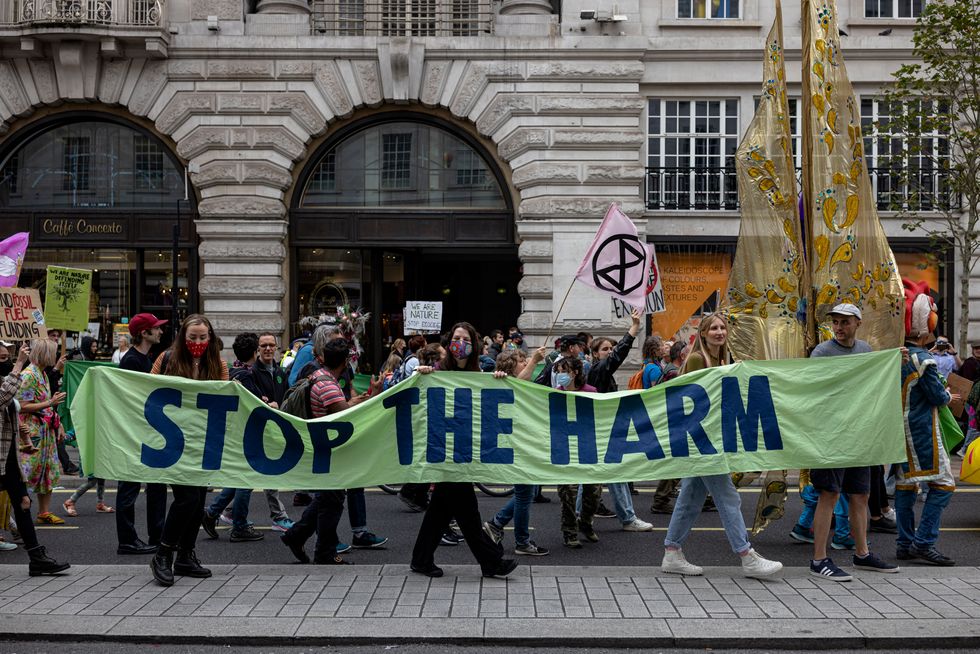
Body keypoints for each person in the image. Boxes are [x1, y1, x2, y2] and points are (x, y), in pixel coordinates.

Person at [660, 312, 782, 579]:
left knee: (690, 497)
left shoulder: (723, 359)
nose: (719, 332)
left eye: (722, 327)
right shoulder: (698, 359)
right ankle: (746, 555)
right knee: (728, 497)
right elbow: (693, 399)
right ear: (703, 333)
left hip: (712, 438)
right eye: (713, 328)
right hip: (702, 440)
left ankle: (672, 551)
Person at [410, 321, 517, 579]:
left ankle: (421, 559)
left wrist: (498, 381)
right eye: (457, 338)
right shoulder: (437, 371)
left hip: (464, 451)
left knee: (441, 510)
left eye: (466, 340)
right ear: (449, 343)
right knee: (467, 511)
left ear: (474, 345)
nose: (461, 344)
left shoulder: (479, 372)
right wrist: (419, 375)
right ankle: (490, 561)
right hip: (446, 451)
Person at [807, 304, 898, 581]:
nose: (838, 327)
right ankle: (819, 559)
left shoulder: (865, 350)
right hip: (830, 435)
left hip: (857, 434)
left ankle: (862, 554)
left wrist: (894, 360)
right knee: (829, 494)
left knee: (861, 495)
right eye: (835, 322)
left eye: (844, 322)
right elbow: (812, 389)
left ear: (858, 323)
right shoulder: (822, 352)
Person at [148, 314, 229, 586]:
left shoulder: (218, 364)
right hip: (171, 442)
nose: (197, 342)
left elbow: (224, 400)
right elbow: (145, 391)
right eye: (192, 337)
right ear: (183, 337)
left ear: (210, 337)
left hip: (202, 444)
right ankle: (163, 554)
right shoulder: (167, 360)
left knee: (197, 502)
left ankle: (185, 555)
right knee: (187, 499)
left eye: (203, 337)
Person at [280, 335, 372, 565]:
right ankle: (325, 552)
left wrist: (359, 400)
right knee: (332, 501)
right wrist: (370, 400)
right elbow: (344, 415)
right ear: (345, 362)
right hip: (328, 450)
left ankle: (296, 536)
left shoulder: (319, 376)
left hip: (323, 447)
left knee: (327, 497)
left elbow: (341, 407)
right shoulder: (329, 385)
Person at [896, 281, 958, 566]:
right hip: (921, 431)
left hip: (897, 432)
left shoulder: (895, 356)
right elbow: (937, 397)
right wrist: (947, 394)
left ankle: (904, 544)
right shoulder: (924, 360)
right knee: (944, 484)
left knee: (906, 486)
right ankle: (923, 543)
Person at [0, 342, 70, 575]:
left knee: (23, 502)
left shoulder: (13, 377)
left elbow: (12, 409)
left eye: (8, 356)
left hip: (10, 452)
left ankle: (36, 557)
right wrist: (19, 363)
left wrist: (25, 437)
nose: (8, 360)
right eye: (3, 357)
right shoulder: (21, 375)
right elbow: (5, 398)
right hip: (3, 452)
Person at [586, 309, 653, 534]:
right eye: (605, 349)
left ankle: (579, 515)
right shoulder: (600, 368)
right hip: (603, 430)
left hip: (602, 428)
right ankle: (627, 518)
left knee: (587, 475)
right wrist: (633, 328)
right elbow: (618, 356)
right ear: (595, 354)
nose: (610, 352)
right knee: (617, 474)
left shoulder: (599, 370)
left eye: (610, 348)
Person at [482, 349, 551, 557]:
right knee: (524, 494)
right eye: (521, 361)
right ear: (510, 366)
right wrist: (534, 361)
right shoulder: (506, 382)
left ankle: (497, 524)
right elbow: (518, 385)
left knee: (527, 492)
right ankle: (522, 541)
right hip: (516, 446)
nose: (525, 363)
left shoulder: (517, 380)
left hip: (523, 444)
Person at [116, 313, 169, 555]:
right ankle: (127, 540)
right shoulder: (132, 361)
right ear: (144, 333)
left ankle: (157, 535)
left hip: (148, 431)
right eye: (156, 328)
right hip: (135, 433)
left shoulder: (146, 359)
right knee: (129, 487)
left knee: (157, 485)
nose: (160, 332)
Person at [549, 355, 603, 549]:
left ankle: (586, 522)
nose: (561, 375)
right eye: (559, 372)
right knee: (568, 493)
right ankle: (569, 531)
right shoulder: (555, 394)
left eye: (565, 371)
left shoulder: (591, 392)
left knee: (593, 492)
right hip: (565, 449)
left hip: (587, 448)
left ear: (576, 372)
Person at [16, 338, 67, 526]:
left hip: (45, 430)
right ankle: (17, 515)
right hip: (31, 431)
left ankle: (44, 512)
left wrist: (57, 422)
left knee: (48, 471)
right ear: (45, 353)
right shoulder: (29, 375)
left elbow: (46, 405)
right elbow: (21, 406)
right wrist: (49, 403)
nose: (56, 355)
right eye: (53, 351)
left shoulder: (42, 374)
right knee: (26, 472)